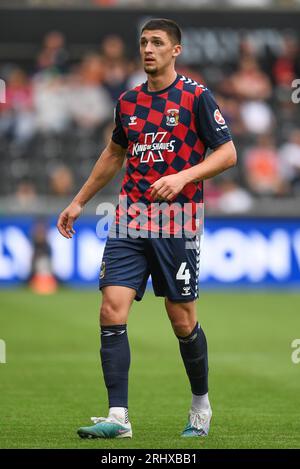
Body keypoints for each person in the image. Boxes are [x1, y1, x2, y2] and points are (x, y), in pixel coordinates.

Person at [57, 18, 237, 439]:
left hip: (178, 220)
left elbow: (227, 153)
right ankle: (118, 417)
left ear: (176, 50)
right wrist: (79, 200)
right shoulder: (129, 101)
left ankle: (200, 407)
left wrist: (184, 177)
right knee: (110, 309)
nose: (148, 49)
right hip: (130, 218)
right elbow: (113, 154)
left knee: (181, 320)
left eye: (157, 42)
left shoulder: (196, 96)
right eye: (143, 43)